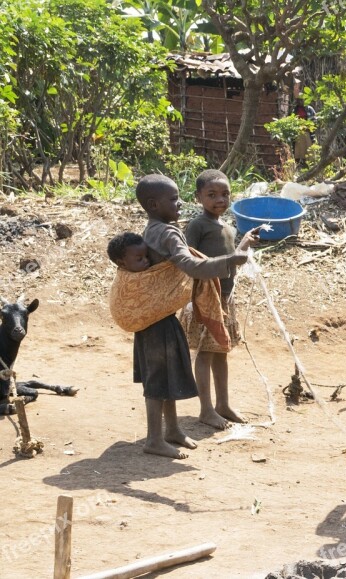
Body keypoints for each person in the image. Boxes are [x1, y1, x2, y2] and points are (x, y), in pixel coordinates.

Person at [133, 174, 258, 459]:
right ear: (153, 204)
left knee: (165, 372)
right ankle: (155, 438)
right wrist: (229, 261)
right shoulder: (168, 232)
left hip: (157, 311)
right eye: (173, 200)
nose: (179, 205)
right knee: (158, 378)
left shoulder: (155, 228)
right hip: (158, 315)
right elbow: (190, 265)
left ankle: (172, 429)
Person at [181, 169, 248, 429]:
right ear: (198, 197)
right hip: (205, 297)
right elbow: (189, 259)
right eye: (212, 195)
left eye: (224, 194)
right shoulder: (198, 225)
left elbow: (230, 264)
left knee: (221, 352)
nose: (220, 199)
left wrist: (245, 247)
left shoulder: (228, 228)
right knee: (206, 353)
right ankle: (206, 409)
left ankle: (223, 404)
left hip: (225, 297)